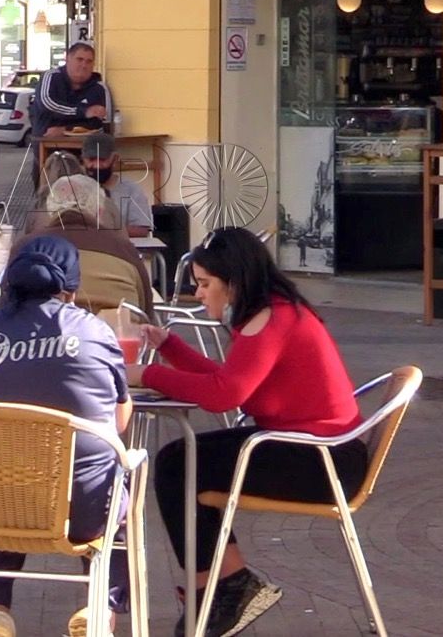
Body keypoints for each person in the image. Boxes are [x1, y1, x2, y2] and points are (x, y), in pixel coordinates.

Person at [129, 227, 368, 637]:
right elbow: (232, 382)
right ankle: (226, 585)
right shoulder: (276, 310)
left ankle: (222, 590)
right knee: (179, 463)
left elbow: (225, 395)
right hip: (315, 448)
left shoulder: (270, 319)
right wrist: (170, 346)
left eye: (204, 284)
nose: (199, 294)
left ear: (234, 281)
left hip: (320, 460)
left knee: (176, 465)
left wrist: (148, 373)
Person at [0, 234, 134, 637]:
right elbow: (118, 421)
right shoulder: (95, 332)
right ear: (72, 287)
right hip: (81, 510)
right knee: (114, 475)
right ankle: (100, 607)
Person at [21, 174, 153, 319]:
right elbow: (146, 310)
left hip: (45, 336)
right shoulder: (124, 251)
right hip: (115, 336)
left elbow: (6, 308)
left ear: (50, 211)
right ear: (100, 212)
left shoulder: (26, 248)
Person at [33, 41, 114, 138]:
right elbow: (47, 105)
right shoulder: (51, 77)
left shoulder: (98, 88)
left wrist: (66, 130)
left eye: (89, 61)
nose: (84, 65)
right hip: (47, 142)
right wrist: (83, 112)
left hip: (85, 147)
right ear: (67, 59)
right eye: (79, 59)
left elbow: (99, 122)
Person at [83, 132, 152, 238]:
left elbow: (141, 230)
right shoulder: (75, 187)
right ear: (83, 159)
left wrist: (105, 231)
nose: (96, 166)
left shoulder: (131, 190)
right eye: (91, 160)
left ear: (115, 159)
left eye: (102, 160)